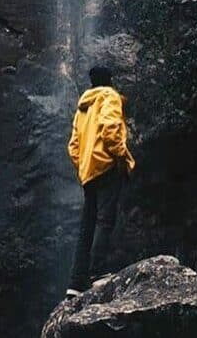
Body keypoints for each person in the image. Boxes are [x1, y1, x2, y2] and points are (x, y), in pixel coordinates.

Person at [66, 66, 136, 297]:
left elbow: (73, 147)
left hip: (88, 172)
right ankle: (97, 273)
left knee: (87, 226)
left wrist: (84, 167)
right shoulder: (110, 97)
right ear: (109, 81)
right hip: (106, 166)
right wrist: (124, 158)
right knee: (105, 221)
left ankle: (76, 283)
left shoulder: (82, 108)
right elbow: (110, 130)